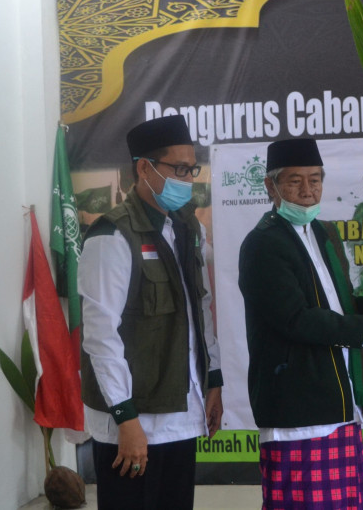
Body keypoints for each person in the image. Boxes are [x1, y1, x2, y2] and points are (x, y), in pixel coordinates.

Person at [238, 138, 363, 510]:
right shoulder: (263, 245)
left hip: (338, 405)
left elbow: (333, 308)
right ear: (270, 186)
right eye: (295, 181)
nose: (308, 191)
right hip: (299, 412)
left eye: (315, 179)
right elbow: (295, 319)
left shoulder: (323, 233)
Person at [79, 115, 223, 509]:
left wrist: (213, 381)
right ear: (145, 168)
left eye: (191, 169)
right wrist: (125, 418)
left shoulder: (188, 229)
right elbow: (100, 335)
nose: (188, 179)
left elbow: (201, 309)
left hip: (181, 413)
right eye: (179, 169)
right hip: (133, 421)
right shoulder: (112, 235)